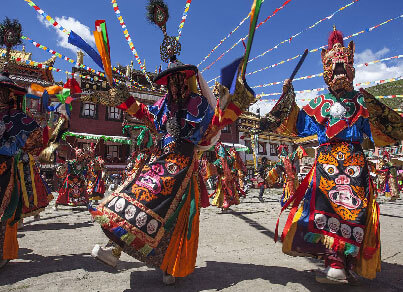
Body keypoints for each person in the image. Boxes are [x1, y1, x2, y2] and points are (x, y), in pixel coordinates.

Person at [89, 56, 255, 284]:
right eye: (171, 82)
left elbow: (213, 126)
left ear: (187, 80)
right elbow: (147, 117)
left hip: (184, 165)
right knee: (129, 197)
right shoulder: (163, 104)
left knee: (175, 219)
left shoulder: (199, 104)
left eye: (179, 80)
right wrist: (126, 100)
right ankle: (113, 249)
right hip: (159, 161)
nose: (175, 86)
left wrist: (233, 103)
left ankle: (170, 266)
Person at [260, 28, 403, 283]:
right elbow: (296, 123)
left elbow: (386, 126)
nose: (339, 72)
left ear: (351, 69)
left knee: (346, 210)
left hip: (347, 163)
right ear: (327, 70)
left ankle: (340, 263)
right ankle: (336, 262)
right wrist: (287, 96)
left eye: (343, 67)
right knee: (331, 210)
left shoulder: (361, 102)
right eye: (334, 68)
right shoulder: (327, 103)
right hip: (337, 162)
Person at [0, 72, 67, 269]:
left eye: (3, 92)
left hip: (6, 169)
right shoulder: (16, 118)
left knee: (5, 211)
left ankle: (3, 251)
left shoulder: (16, 118)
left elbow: (37, 141)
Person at [210, 142, 241, 211]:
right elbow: (233, 167)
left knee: (222, 191)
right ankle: (225, 204)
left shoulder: (218, 161)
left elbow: (214, 169)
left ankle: (223, 205)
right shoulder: (231, 159)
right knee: (229, 191)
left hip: (222, 178)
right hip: (230, 178)